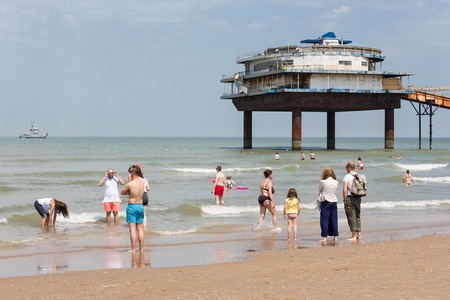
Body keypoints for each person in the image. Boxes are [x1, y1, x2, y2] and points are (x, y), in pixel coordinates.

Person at [121, 165, 145, 253]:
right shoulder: (142, 182)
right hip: (140, 205)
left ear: (133, 173)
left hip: (132, 206)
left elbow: (122, 192)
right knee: (140, 228)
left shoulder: (130, 184)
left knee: (132, 229)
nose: (129, 174)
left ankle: (133, 249)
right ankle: (141, 249)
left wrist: (129, 192)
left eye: (130, 172)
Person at [318, 168, 339, 242]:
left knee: (324, 220)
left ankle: (324, 237)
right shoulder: (336, 182)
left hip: (326, 201)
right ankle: (335, 236)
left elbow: (320, 190)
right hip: (334, 201)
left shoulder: (323, 182)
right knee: (334, 219)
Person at [342, 162, 362, 241]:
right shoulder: (358, 175)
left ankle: (353, 235)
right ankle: (359, 234)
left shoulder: (347, 176)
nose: (346, 169)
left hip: (350, 197)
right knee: (357, 215)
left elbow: (344, 190)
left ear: (348, 168)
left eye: (346, 167)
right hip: (358, 197)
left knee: (351, 215)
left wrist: (344, 199)